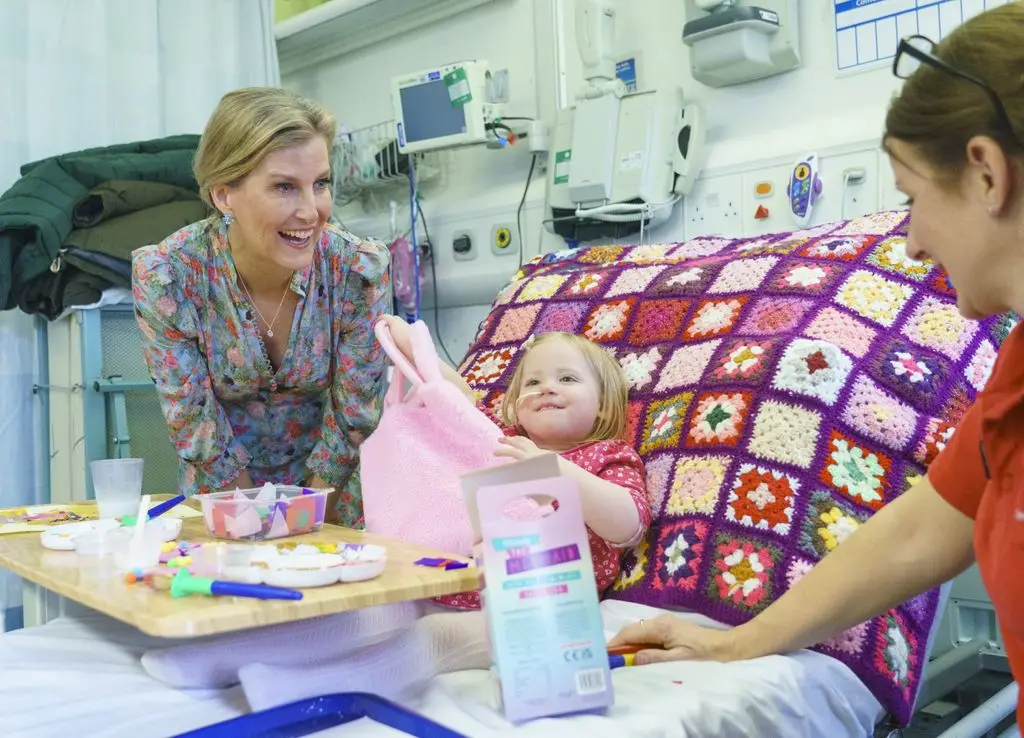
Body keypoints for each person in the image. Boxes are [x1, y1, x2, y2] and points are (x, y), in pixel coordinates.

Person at [608, 2, 1024, 725]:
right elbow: (927, 527)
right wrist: (737, 644)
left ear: (986, 173)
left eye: (912, 198)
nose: (915, 244)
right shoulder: (1017, 375)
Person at [138, 323, 652, 709]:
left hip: (535, 605)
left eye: (566, 378)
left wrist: (556, 470)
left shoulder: (605, 457)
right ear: (515, 404)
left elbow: (627, 523)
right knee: (366, 614)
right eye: (533, 381)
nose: (545, 387)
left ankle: (302, 690)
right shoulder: (498, 441)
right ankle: (210, 660)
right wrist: (417, 351)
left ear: (606, 403)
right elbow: (455, 401)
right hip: (451, 581)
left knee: (430, 642)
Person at [132, 87, 390, 527]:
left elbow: (355, 415)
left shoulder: (355, 270)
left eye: (321, 184)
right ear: (223, 194)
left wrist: (303, 522)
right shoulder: (170, 277)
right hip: (221, 503)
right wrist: (254, 523)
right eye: (285, 187)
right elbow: (193, 420)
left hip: (334, 503)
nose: (311, 211)